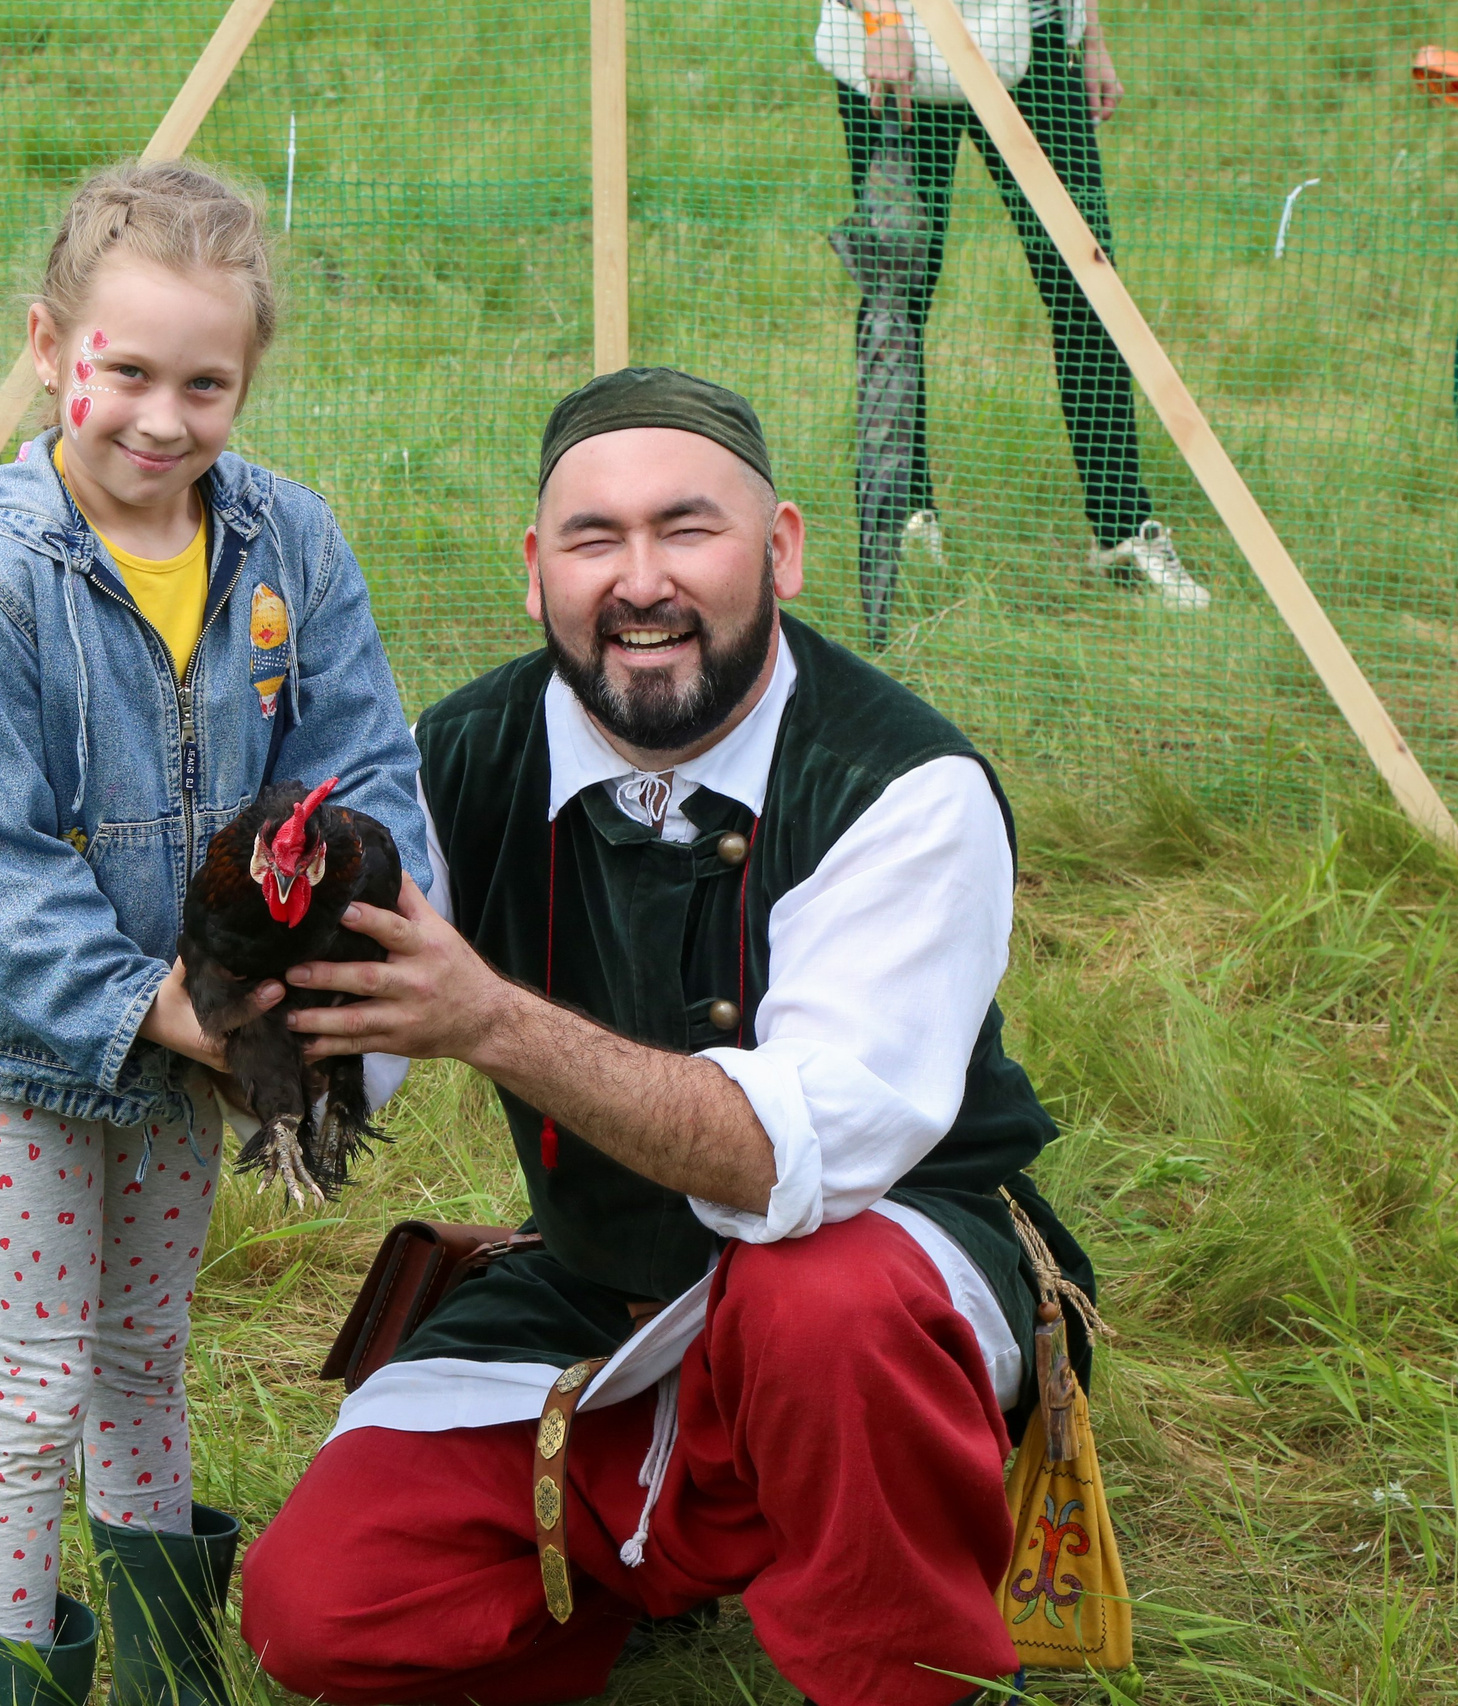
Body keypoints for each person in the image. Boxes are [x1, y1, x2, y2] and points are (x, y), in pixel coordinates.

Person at [235, 367, 1096, 1706]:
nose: (640, 580)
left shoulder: (903, 785)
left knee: (823, 1301)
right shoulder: (463, 750)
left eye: (686, 529)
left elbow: (787, 1160)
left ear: (781, 547)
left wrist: (491, 1017)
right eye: (594, 539)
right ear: (535, 572)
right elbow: (354, 1045)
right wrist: (208, 935)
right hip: (605, 1285)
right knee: (322, 1606)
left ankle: (897, 1655)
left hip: (883, 1281)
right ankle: (676, 1541)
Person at [0, 160, 428, 1706]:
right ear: (53, 348)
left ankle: (176, 1674)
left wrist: (372, 941)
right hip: (14, 1053)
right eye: (125, 371)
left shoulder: (285, 545)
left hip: (201, 1032)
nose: (160, 418)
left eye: (207, 382)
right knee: (32, 1383)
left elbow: (363, 754)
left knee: (143, 1346)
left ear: (247, 381)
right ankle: (24, 1682)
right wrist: (162, 1011)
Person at [822, 0, 1211, 610]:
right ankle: (906, 520)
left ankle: (1120, 530)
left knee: (1088, 286)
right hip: (900, 44)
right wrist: (882, 21)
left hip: (1036, 44)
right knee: (898, 293)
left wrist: (1089, 38)